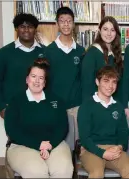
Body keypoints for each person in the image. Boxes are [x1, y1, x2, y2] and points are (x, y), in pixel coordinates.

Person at [5, 58, 73, 178]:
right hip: (22, 146)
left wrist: (50, 145)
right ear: (27, 79)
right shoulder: (16, 101)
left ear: (45, 82)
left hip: (54, 144)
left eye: (41, 78)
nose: (37, 81)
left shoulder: (56, 100)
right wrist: (38, 145)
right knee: (37, 172)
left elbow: (62, 127)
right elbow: (12, 130)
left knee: (64, 170)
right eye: (33, 76)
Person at [77, 66, 129, 178]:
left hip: (114, 148)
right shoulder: (86, 106)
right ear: (97, 82)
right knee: (97, 173)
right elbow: (84, 138)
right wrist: (102, 153)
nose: (110, 86)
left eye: (114, 82)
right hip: (91, 149)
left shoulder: (118, 106)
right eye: (106, 81)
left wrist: (120, 147)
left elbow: (123, 132)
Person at [0, 13, 45, 119]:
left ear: (35, 29)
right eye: (22, 27)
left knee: (42, 136)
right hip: (14, 110)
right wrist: (1, 107)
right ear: (16, 29)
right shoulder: (4, 53)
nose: (26, 30)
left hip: (40, 109)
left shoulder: (45, 52)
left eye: (30, 27)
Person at [44, 7, 85, 139]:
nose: (66, 24)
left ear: (73, 24)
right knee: (60, 141)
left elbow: (83, 78)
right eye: (62, 21)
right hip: (55, 105)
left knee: (77, 142)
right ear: (57, 24)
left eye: (69, 21)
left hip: (76, 106)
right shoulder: (49, 51)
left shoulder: (81, 51)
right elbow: (45, 80)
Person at [81, 16, 123, 102]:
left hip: (112, 103)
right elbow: (86, 85)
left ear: (116, 33)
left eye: (112, 30)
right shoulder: (92, 53)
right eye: (105, 29)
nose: (109, 33)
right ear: (99, 31)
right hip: (96, 104)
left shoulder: (115, 53)